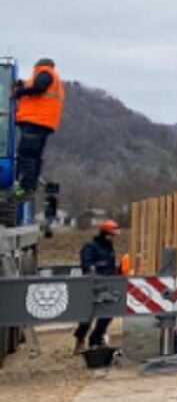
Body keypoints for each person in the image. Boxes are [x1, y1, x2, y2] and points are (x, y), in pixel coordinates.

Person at [12, 57, 65, 196]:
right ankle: (30, 185)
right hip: (44, 123)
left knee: (26, 154)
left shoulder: (45, 73)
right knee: (34, 156)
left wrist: (19, 93)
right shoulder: (52, 78)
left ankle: (25, 186)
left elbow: (37, 88)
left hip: (35, 121)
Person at [73, 220, 120, 352]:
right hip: (93, 285)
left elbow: (111, 266)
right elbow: (86, 265)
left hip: (108, 285)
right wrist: (93, 275)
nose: (113, 238)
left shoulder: (109, 248)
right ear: (105, 234)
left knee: (107, 314)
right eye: (112, 235)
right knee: (87, 316)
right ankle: (80, 338)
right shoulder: (90, 247)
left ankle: (95, 340)